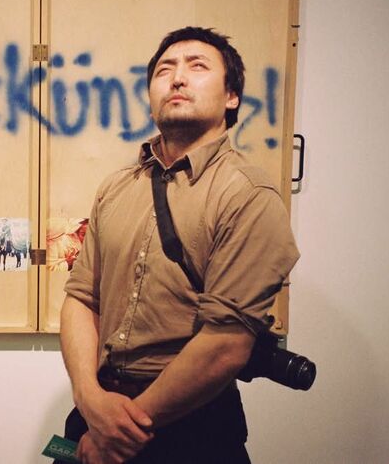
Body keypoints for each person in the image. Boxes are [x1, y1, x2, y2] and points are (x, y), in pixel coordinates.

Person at [57, 27, 300, 464]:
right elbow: (81, 298)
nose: (178, 78)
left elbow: (226, 343)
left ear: (231, 97)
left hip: (194, 428)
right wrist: (89, 398)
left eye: (197, 66)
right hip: (98, 410)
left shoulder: (248, 195)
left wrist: (118, 432)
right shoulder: (116, 188)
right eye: (164, 70)